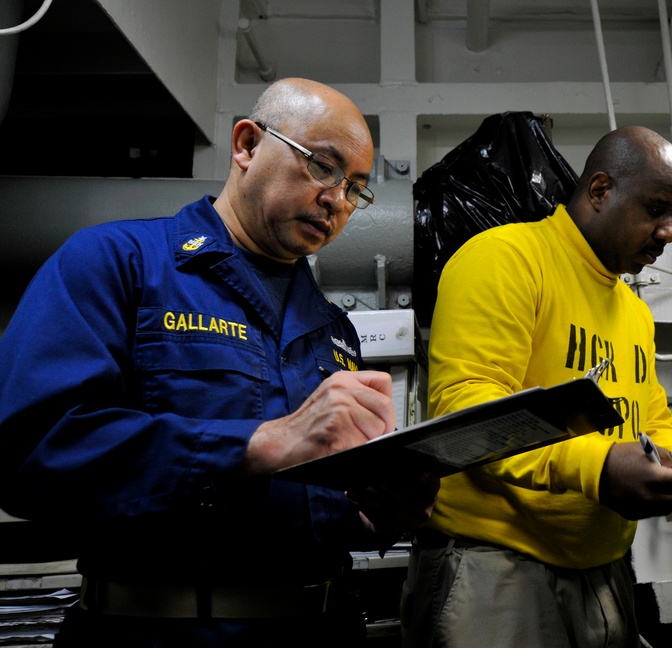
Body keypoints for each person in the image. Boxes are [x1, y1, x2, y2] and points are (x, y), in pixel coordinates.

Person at [0, 78, 439, 647]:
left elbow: (310, 506)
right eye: (323, 167)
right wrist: (255, 445)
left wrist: (375, 513)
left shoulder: (334, 331)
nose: (338, 200)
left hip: (323, 627)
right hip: (160, 633)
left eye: (356, 189)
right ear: (247, 146)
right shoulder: (117, 264)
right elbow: (31, 453)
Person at [400, 125, 672, 648]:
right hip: (496, 569)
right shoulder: (504, 258)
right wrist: (598, 467)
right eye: (657, 209)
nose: (669, 232)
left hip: (604, 571)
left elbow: (651, 421)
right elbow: (470, 411)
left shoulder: (634, 311)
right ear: (600, 191)